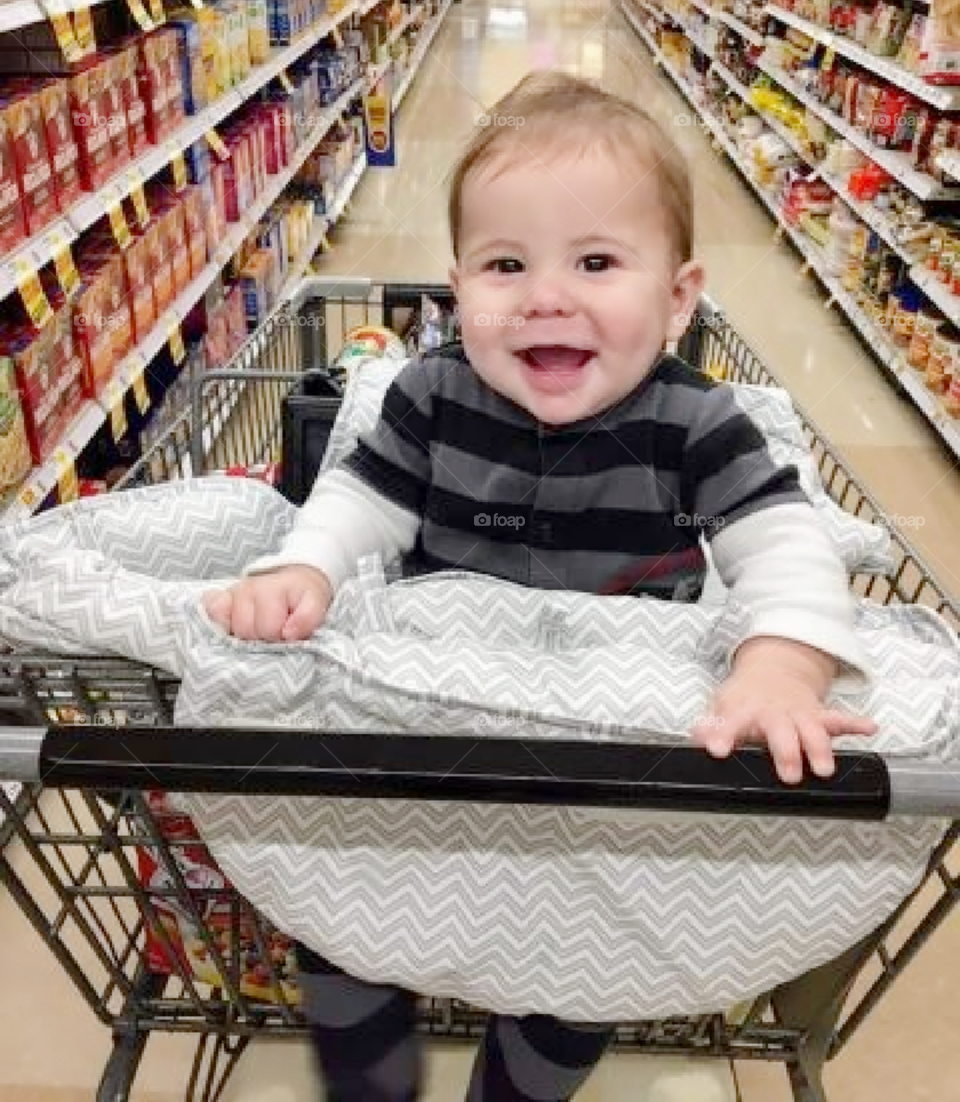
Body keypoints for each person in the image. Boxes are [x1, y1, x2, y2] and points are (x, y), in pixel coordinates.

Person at [204, 72, 875, 1102]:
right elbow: (361, 498)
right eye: (504, 264)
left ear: (680, 295)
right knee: (339, 914)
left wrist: (781, 665)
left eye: (598, 261)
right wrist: (304, 565)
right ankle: (372, 1082)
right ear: (455, 284)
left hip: (596, 762)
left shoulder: (696, 424)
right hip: (436, 724)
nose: (546, 296)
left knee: (584, 968)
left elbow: (787, 544)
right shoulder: (432, 394)